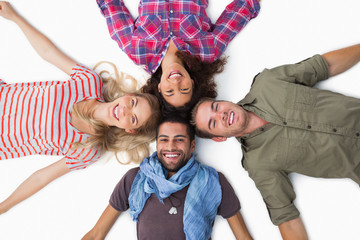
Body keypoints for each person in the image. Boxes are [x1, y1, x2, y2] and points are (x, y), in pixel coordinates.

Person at [0, 1, 161, 214]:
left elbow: (41, 177)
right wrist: (15, 17)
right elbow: (48, 52)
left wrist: (3, 208)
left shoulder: (89, 149)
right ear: (129, 96)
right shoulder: (89, 82)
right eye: (132, 103)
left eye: (132, 118)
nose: (125, 110)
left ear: (129, 130)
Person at [191, 43, 360, 239]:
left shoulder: (268, 82)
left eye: (216, 107)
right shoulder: (258, 164)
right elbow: (286, 217)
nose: (221, 115)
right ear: (220, 138)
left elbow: (324, 66)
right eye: (213, 123)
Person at [82, 117, 253, 240]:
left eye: (179, 140)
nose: (170, 146)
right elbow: (96, 234)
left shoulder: (213, 181)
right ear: (157, 144)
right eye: (164, 140)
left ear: (192, 145)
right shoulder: (136, 179)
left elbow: (243, 237)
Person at [96, 0, 260, 112]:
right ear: (192, 83)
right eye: (184, 89)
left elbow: (112, 9)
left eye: (169, 91)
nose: (176, 82)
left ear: (159, 88)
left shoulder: (138, 51)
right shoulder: (206, 51)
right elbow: (241, 11)